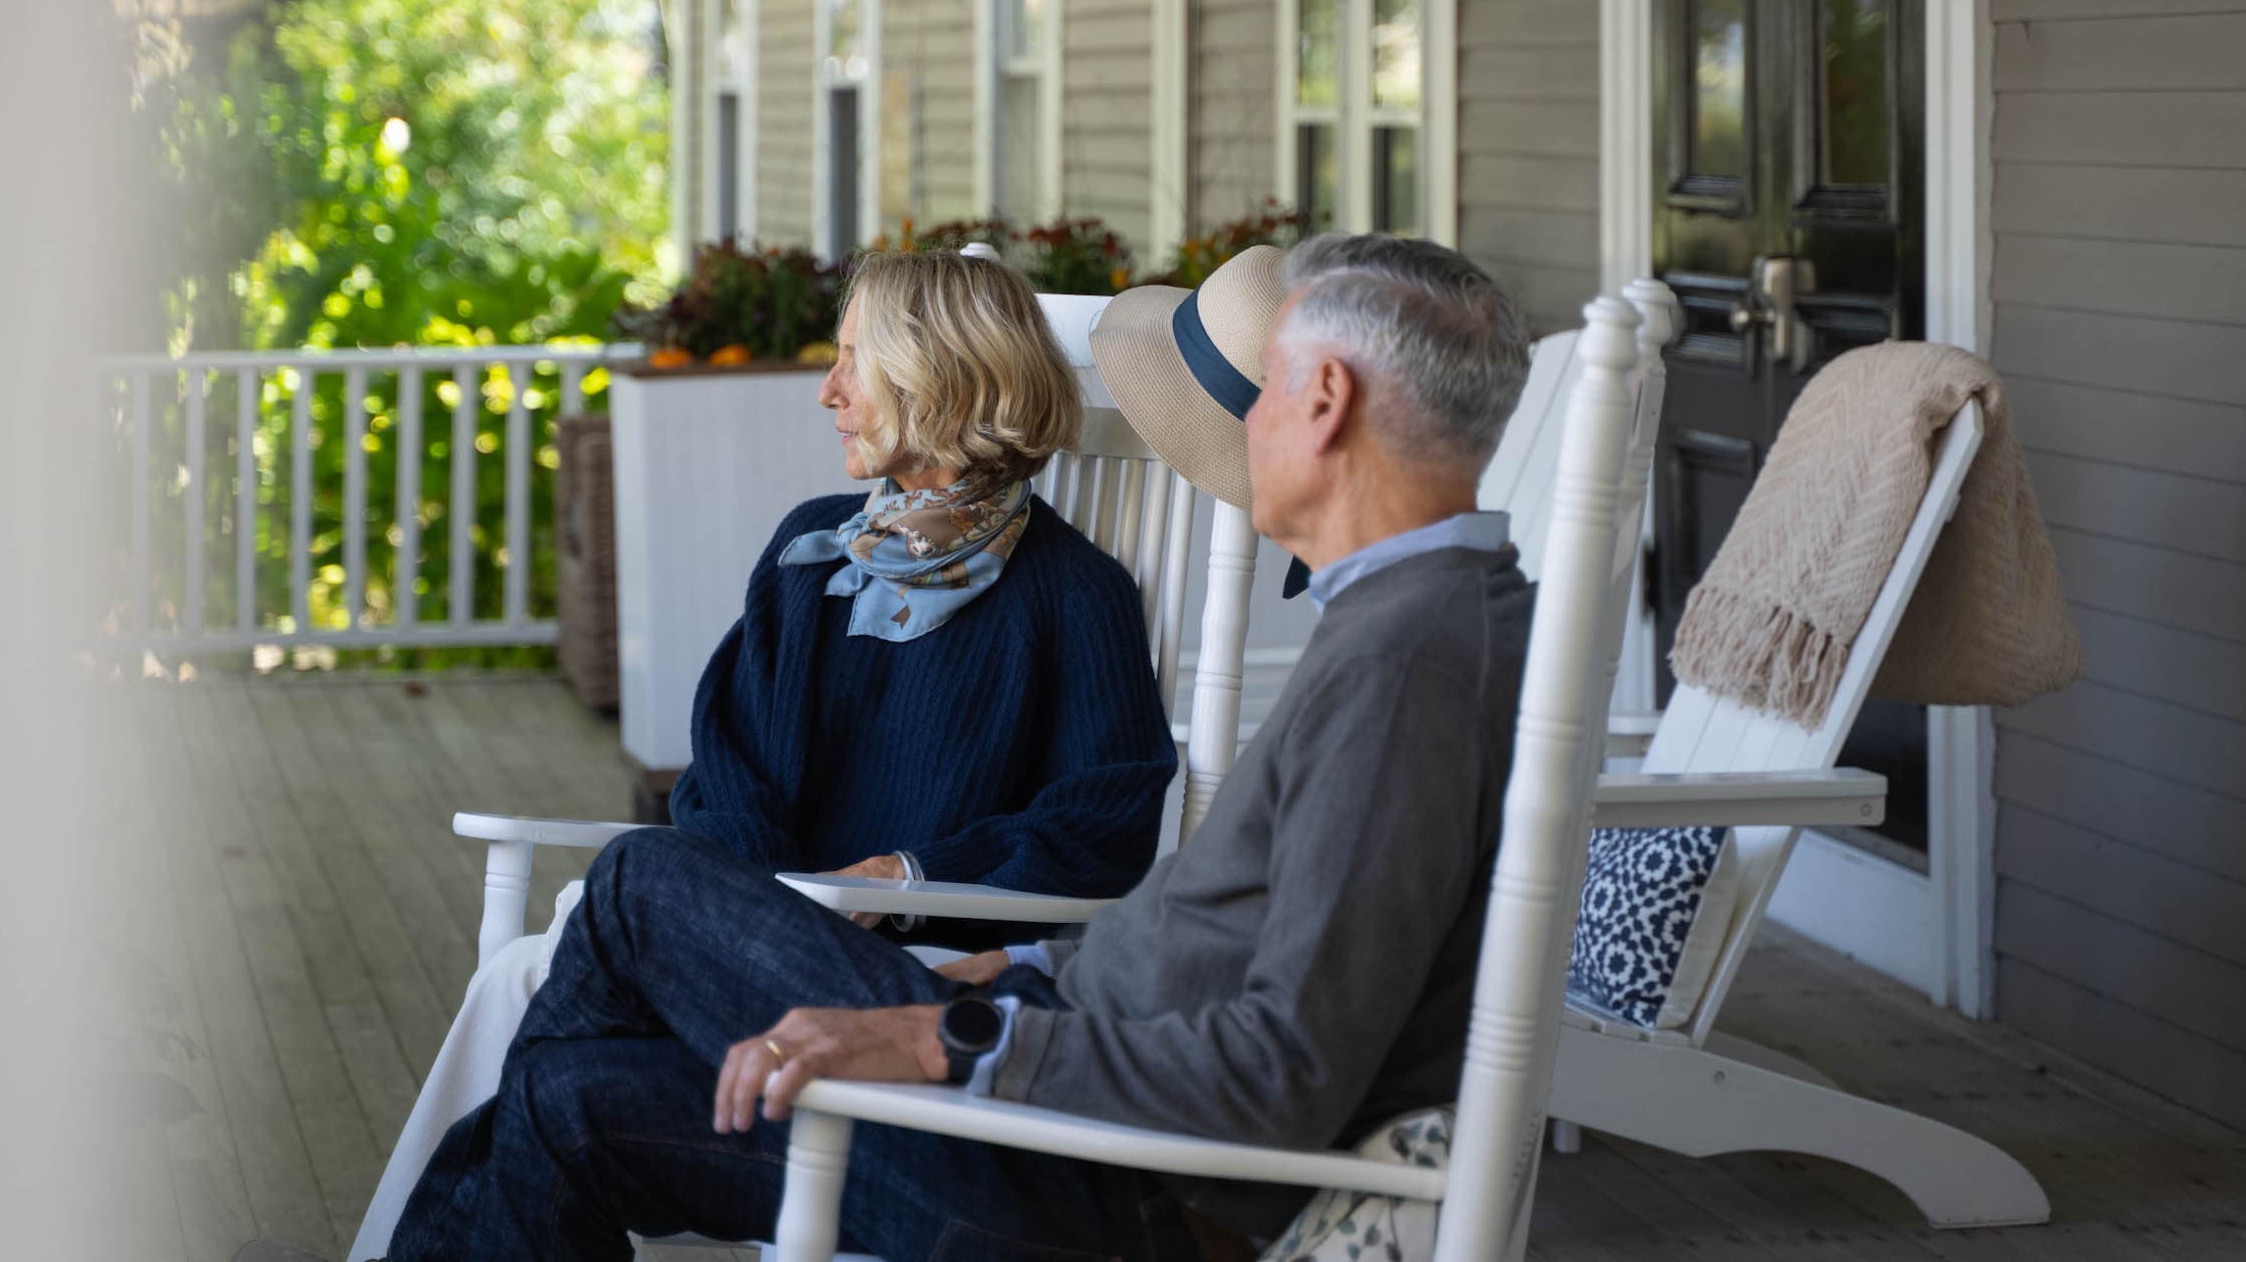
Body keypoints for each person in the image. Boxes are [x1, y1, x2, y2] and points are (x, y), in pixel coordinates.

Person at [372, 234, 1536, 1262]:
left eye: (1266, 387)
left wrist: (951, 1029)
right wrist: (1015, 978)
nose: (1241, 424)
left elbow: (1280, 1063)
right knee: (562, 1094)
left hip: (1084, 1183)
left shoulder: (1405, 665)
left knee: (634, 884)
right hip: (1053, 1115)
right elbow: (1199, 948)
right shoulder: (1410, 626)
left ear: (1323, 397)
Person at [346, 248, 1180, 1262]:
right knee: (547, 979)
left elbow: (1103, 825)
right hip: (756, 937)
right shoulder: (811, 548)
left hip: (909, 969)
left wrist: (906, 874)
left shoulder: (1070, 593)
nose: (826, 392)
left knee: (564, 950)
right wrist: (745, 908)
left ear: (938, 374)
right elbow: (728, 774)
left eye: (848, 362)